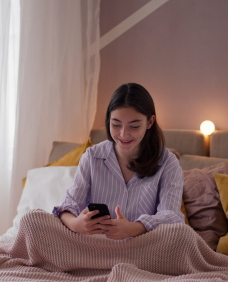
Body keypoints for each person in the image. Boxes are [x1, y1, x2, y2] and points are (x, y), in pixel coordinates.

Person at [52, 83, 184, 240]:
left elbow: (172, 216)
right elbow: (69, 204)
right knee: (32, 219)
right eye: (116, 124)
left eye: (134, 126)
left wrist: (135, 228)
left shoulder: (168, 163)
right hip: (95, 245)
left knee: (183, 236)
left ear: (150, 122)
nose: (123, 134)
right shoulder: (92, 157)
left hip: (144, 248)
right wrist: (76, 224)